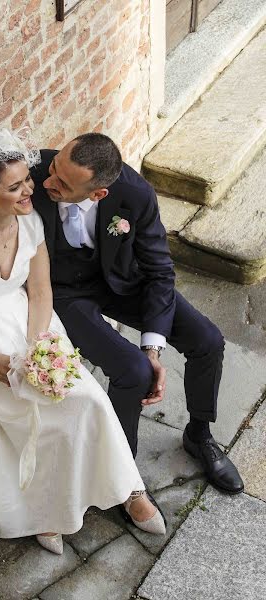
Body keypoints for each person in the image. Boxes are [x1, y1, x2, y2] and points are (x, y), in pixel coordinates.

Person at [0, 129, 166, 557]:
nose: (30, 190)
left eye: (27, 181)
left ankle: (128, 489)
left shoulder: (30, 221)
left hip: (30, 324)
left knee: (87, 398)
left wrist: (40, 345)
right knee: (29, 414)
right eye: (15, 187)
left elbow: (40, 291)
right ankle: (45, 511)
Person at [26, 132, 244, 498]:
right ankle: (122, 470)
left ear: (99, 194)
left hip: (125, 283)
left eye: (62, 183)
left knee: (207, 340)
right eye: (53, 169)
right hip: (65, 292)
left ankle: (199, 434)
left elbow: (160, 270)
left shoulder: (136, 194)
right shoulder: (33, 175)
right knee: (132, 371)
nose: (49, 182)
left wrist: (152, 348)